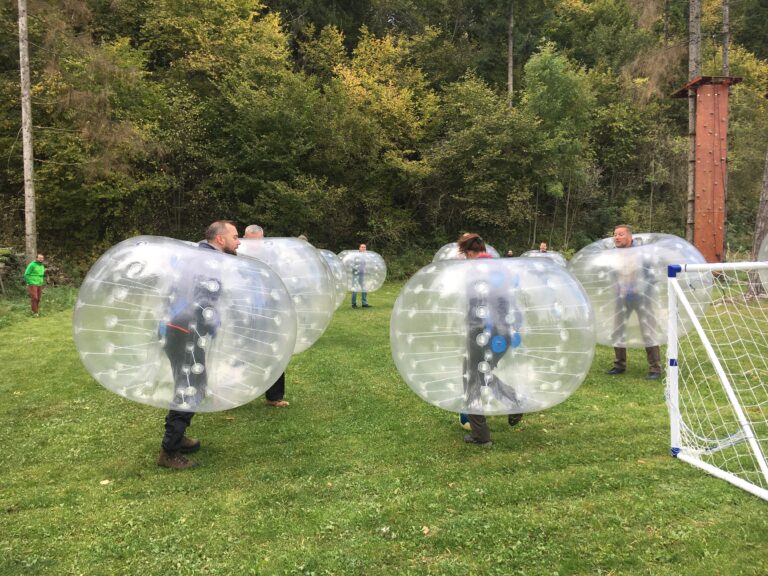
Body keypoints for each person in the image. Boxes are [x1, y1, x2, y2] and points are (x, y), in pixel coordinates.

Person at [158, 220, 240, 470]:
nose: (238, 242)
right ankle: (169, 451)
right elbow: (200, 300)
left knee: (193, 385)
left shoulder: (198, 257)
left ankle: (177, 438)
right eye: (235, 237)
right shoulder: (207, 261)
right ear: (220, 239)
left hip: (181, 329)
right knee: (189, 388)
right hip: (185, 331)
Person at [458, 233, 523, 447]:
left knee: (471, 378)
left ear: (468, 252)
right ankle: (513, 401)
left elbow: (477, 308)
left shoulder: (474, 272)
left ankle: (481, 435)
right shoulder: (500, 268)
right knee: (483, 374)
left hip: (482, 332)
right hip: (504, 334)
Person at [606, 224, 662, 380]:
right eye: (615, 234)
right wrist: (616, 287)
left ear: (630, 237)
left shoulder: (642, 253)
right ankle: (619, 365)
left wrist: (644, 289)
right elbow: (612, 275)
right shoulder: (613, 255)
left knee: (648, 331)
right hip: (622, 297)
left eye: (620, 234)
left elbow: (652, 276)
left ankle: (655, 368)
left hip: (641, 297)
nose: (616, 237)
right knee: (617, 330)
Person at [243, 223, 289, 408]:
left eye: (258, 242)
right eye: (251, 241)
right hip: (244, 312)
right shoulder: (236, 255)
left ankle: (274, 397)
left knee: (275, 352)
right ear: (244, 238)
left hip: (269, 312)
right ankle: (236, 394)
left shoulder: (272, 257)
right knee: (242, 353)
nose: (255, 245)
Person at [351, 243, 370, 308]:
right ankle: (354, 304)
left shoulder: (366, 256)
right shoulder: (356, 255)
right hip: (356, 274)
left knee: (364, 289)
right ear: (359, 248)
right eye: (362, 247)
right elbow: (352, 265)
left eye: (364, 247)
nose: (363, 248)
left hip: (362, 274)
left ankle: (364, 304)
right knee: (355, 289)